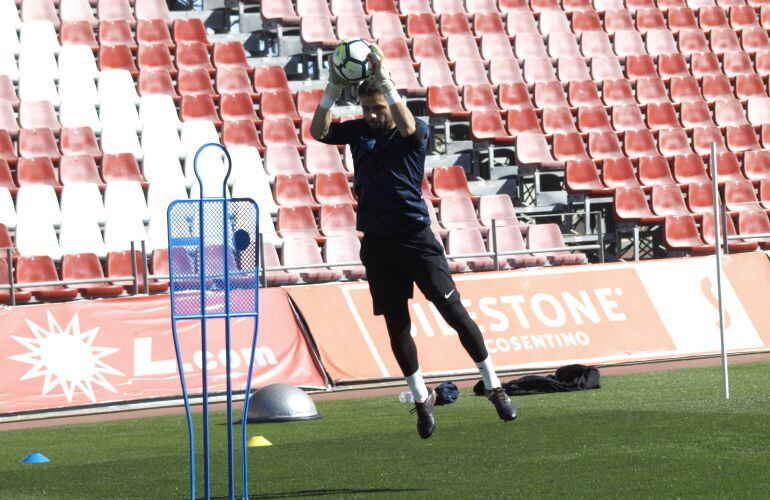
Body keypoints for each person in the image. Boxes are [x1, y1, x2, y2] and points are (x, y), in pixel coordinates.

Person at [309, 44, 516, 439]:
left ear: (388, 103)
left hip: (415, 239)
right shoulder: (358, 131)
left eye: (377, 109)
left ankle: (494, 386)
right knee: (396, 325)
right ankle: (421, 399)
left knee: (453, 312)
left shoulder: (413, 131)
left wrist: (386, 81)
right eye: (367, 109)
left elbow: (405, 125)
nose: (371, 116)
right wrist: (333, 90)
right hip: (378, 244)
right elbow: (318, 131)